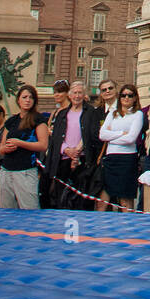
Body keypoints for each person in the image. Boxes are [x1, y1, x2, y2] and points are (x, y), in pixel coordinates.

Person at [45, 80, 101, 209]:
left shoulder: (91, 112)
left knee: (80, 199)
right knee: (61, 198)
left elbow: (92, 135)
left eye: (80, 93)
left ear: (84, 95)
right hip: (63, 159)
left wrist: (76, 152)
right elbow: (56, 138)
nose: (77, 96)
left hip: (82, 160)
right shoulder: (62, 114)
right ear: (69, 95)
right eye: (74, 93)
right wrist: (66, 150)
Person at [0, 85, 49, 209]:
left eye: (31, 97)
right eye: (24, 97)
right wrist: (6, 148)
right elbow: (1, 147)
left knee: (29, 210)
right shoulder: (11, 121)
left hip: (25, 172)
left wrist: (20, 143)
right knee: (6, 210)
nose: (27, 100)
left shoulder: (39, 119)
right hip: (6, 171)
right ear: (18, 100)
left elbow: (43, 145)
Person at [98, 84, 144, 212]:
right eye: (123, 95)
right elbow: (102, 135)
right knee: (103, 199)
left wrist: (111, 137)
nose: (126, 98)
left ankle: (127, 228)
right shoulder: (113, 114)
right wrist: (120, 134)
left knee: (125, 200)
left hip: (127, 160)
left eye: (130, 95)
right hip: (111, 158)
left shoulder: (138, 115)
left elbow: (131, 138)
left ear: (135, 98)